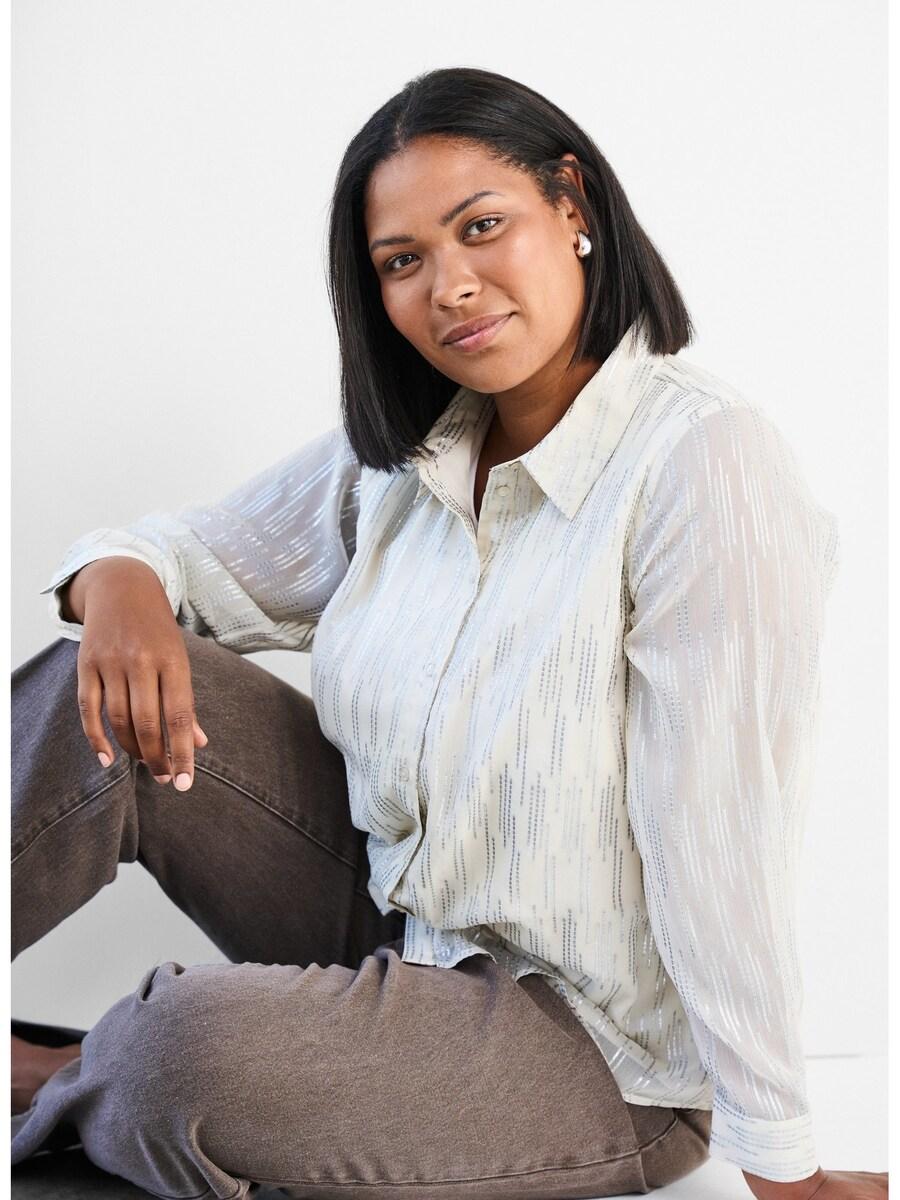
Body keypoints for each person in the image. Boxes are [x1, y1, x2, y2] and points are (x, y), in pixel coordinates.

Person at [10, 65, 884, 1200]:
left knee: (175, 1054)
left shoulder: (701, 464)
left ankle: (70, 1074)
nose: (451, 287)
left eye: (481, 227)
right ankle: (112, 1074)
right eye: (402, 262)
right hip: (396, 929)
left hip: (593, 1050)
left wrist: (783, 1163)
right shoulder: (408, 456)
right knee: (90, 693)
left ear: (572, 204)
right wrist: (118, 580)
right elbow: (180, 554)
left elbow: (720, 838)